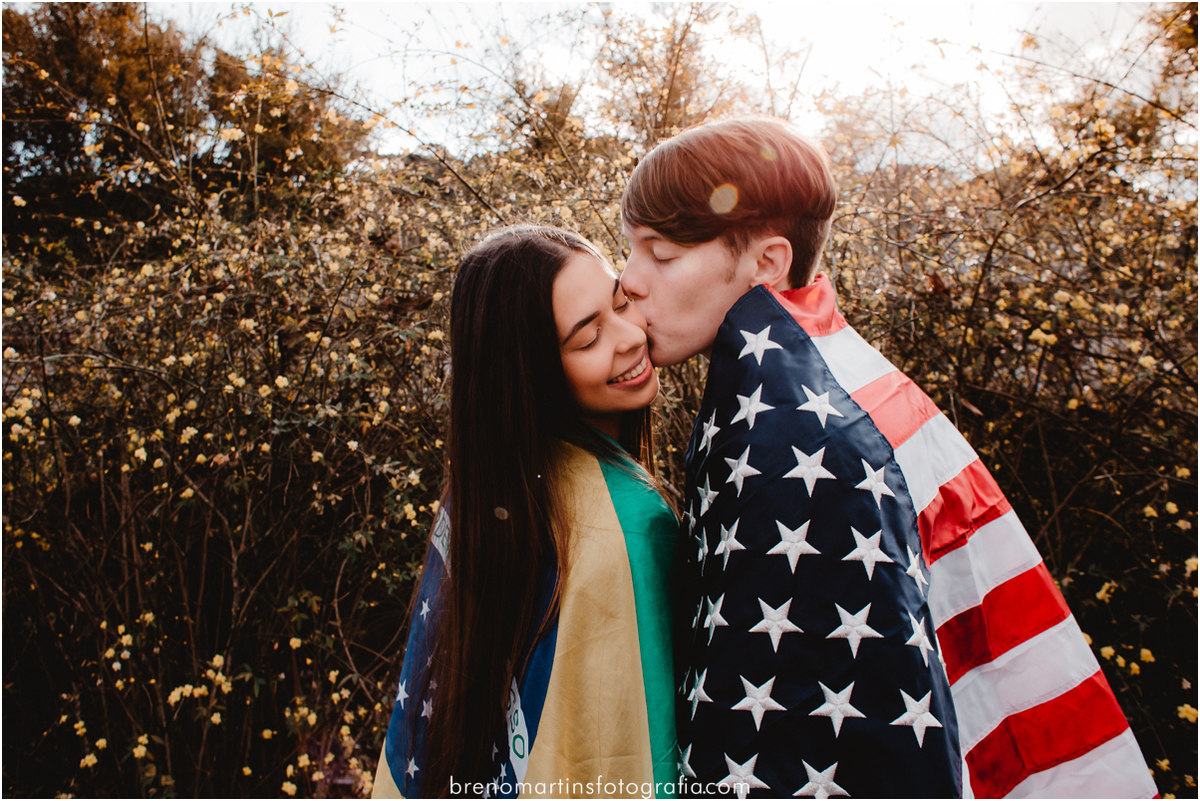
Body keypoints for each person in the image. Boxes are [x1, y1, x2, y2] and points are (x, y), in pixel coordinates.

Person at [619, 118, 1157, 799]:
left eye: (660, 254)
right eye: (629, 250)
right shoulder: (835, 375)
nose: (628, 280)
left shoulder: (794, 439)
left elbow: (787, 750)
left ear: (766, 263)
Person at [373, 225, 680, 799]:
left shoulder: (477, 494)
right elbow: (644, 754)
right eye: (587, 340)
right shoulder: (630, 524)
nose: (630, 337)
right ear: (530, 376)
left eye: (620, 304)